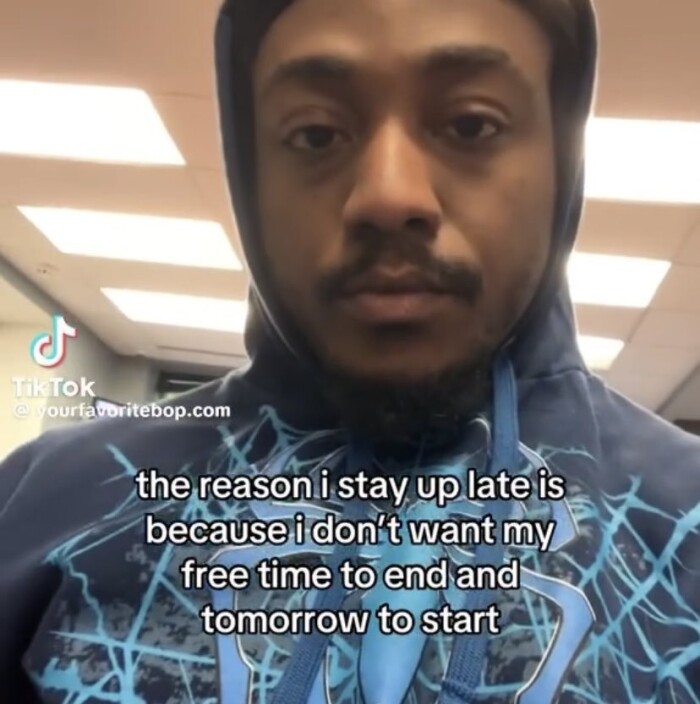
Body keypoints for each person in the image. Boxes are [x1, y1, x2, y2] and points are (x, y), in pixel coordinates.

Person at [1, 0, 699, 702]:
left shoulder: (684, 518)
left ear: (562, 161)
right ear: (249, 172)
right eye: (315, 134)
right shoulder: (43, 503)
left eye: (471, 124)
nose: (389, 195)